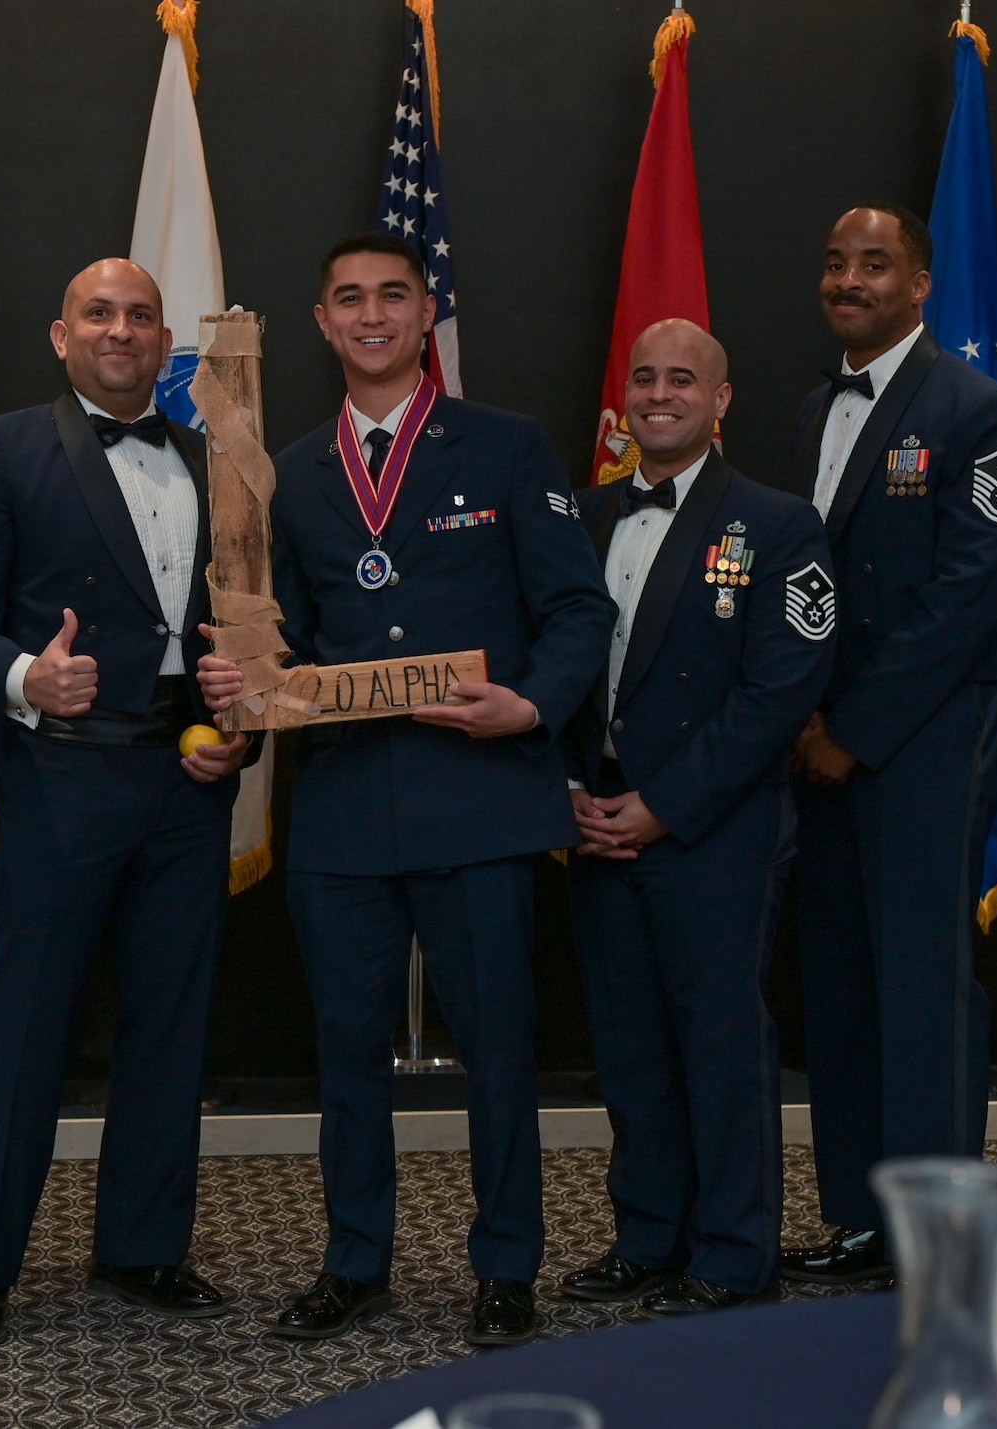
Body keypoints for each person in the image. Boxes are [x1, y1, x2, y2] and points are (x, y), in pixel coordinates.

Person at [198, 233, 612, 1347]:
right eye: (348, 300)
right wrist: (241, 682)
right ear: (323, 323)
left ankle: (506, 1261)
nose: (371, 315)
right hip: (342, 809)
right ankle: (353, 1259)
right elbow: (282, 648)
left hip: (480, 796)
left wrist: (529, 706)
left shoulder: (508, 448)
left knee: (498, 1047)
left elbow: (579, 612)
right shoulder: (285, 474)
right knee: (343, 1051)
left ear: (425, 312)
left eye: (392, 295)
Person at [0, 258, 251, 1349]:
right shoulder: (5, 447)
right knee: (23, 1029)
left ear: (165, 345)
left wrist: (244, 720)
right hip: (62, 772)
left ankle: (144, 1246)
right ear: (60, 336)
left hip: (186, 778)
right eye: (99, 314)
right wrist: (27, 678)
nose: (120, 330)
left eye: (140, 316)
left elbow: (249, 626)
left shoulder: (219, 460)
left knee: (171, 1023)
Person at [776, 205, 997, 1288]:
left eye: (873, 263)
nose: (849, 279)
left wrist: (857, 731)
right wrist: (794, 712)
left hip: (922, 742)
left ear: (920, 284)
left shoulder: (980, 413)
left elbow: (966, 599)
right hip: (813, 742)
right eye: (835, 261)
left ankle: (934, 1235)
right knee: (838, 988)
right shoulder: (805, 411)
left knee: (923, 991)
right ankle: (857, 1217)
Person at [557, 319, 833, 1315]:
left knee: (717, 1048)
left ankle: (729, 1254)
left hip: (710, 832)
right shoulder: (578, 516)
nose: (659, 392)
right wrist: (569, 794)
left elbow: (777, 691)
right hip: (594, 823)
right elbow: (549, 669)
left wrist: (663, 809)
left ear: (720, 402)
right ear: (622, 396)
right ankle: (646, 1235)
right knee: (628, 1047)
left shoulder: (779, 524)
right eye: (642, 376)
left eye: (683, 378)